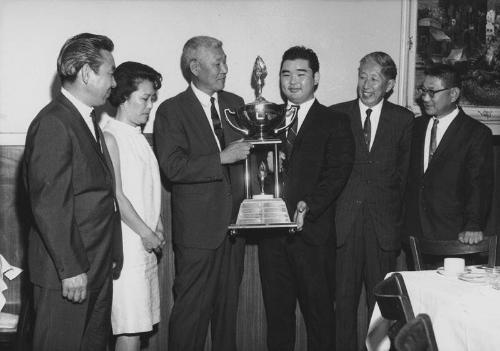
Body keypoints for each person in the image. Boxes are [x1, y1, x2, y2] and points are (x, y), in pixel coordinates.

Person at [22, 33, 122, 351]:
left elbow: (98, 197)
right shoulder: (54, 123)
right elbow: (50, 205)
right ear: (86, 74)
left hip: (94, 268)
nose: (114, 82)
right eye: (110, 72)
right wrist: (72, 269)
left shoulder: (83, 120)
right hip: (68, 276)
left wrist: (110, 255)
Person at [153, 36, 251, 351]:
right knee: (190, 315)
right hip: (197, 233)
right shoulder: (171, 110)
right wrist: (222, 157)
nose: (225, 69)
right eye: (217, 63)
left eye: (225, 61)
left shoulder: (236, 104)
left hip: (235, 229)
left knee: (227, 314)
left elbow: (250, 163)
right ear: (194, 67)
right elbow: (173, 167)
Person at [258, 46, 355, 351]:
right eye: (286, 74)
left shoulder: (334, 121)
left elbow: (337, 173)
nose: (293, 81)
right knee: (277, 320)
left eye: (301, 74)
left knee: (320, 319)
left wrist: (309, 204)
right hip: (272, 237)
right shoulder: (266, 118)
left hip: (313, 236)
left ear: (316, 78)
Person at [331, 51, 414, 351]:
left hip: (383, 231)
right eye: (362, 76)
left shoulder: (404, 120)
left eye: (375, 78)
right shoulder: (337, 115)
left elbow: (404, 180)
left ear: (389, 85)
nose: (366, 85)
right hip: (344, 228)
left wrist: (396, 226)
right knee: (343, 305)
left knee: (381, 310)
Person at [103, 61, 164, 351]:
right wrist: (147, 233)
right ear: (123, 97)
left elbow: (146, 189)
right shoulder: (110, 135)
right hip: (128, 246)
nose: (150, 106)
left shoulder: (137, 137)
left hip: (144, 244)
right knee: (129, 329)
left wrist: (158, 224)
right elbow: (117, 196)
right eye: (144, 98)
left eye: (153, 99)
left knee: (139, 328)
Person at [404, 64, 493, 246]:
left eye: (432, 92)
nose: (425, 98)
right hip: (414, 233)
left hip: (455, 235)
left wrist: (473, 225)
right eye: (423, 91)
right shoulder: (415, 126)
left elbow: (479, 184)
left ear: (453, 94)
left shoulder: (476, 133)